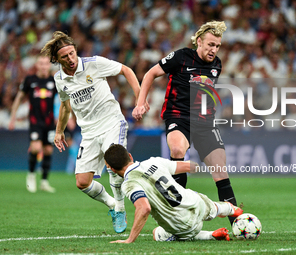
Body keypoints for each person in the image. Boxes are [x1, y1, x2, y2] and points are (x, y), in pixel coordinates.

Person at [132, 21, 239, 225]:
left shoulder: (217, 65)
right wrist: (140, 102)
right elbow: (150, 74)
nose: (213, 50)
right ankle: (179, 215)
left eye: (217, 46)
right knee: (178, 150)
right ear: (199, 41)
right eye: (210, 44)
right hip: (178, 116)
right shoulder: (181, 57)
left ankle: (237, 220)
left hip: (205, 122)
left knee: (219, 168)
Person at [40, 31, 147, 233]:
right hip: (88, 131)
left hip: (111, 122)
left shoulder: (93, 63)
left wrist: (139, 99)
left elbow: (126, 70)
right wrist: (59, 131)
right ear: (56, 59)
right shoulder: (59, 78)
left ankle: (121, 207)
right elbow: (65, 106)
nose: (71, 59)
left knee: (114, 165)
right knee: (82, 182)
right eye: (65, 56)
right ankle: (113, 205)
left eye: (72, 53)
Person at [104, 144, 244, 243]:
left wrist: (130, 239)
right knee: (208, 205)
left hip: (183, 225)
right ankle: (229, 208)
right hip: (197, 202)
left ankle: (209, 236)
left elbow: (144, 208)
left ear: (112, 169)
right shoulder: (154, 161)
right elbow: (191, 166)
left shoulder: (129, 184)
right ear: (130, 156)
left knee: (157, 233)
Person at [9, 55, 57, 193]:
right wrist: (13, 118)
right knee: (36, 148)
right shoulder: (30, 80)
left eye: (46, 63)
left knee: (48, 150)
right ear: (37, 65)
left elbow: (64, 99)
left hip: (49, 122)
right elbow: (18, 99)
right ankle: (31, 176)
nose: (43, 66)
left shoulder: (54, 80)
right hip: (35, 122)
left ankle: (44, 181)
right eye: (41, 63)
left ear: (49, 65)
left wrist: (68, 117)